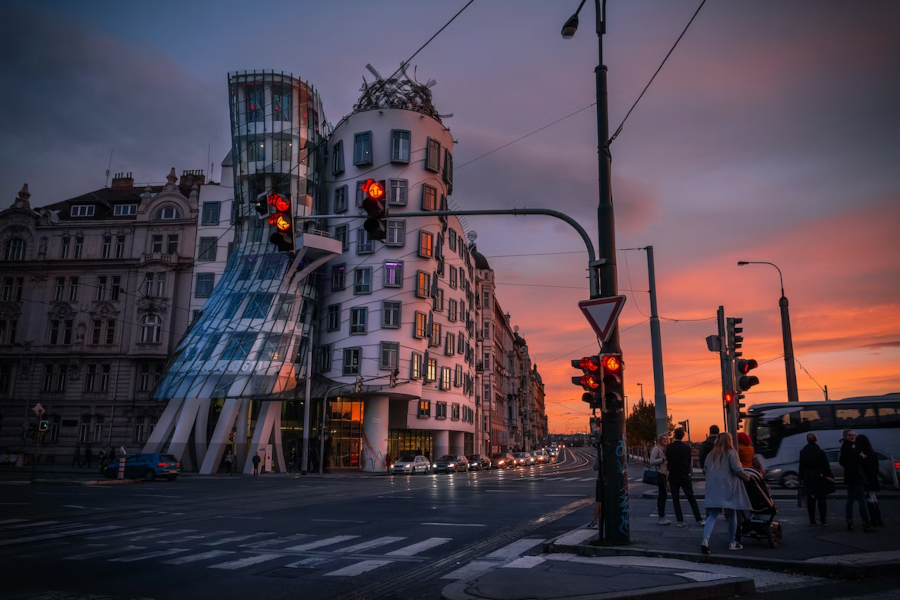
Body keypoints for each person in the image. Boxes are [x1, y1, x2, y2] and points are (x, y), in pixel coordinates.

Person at [700, 432, 751, 554]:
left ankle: (705, 540)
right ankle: (732, 542)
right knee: (732, 513)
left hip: (713, 489)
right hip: (728, 487)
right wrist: (748, 477)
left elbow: (705, 469)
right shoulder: (731, 453)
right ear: (729, 441)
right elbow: (737, 469)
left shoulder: (711, 455)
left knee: (712, 515)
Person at [665, 427, 705, 527]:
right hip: (684, 475)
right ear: (683, 436)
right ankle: (698, 518)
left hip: (673, 475)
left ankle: (680, 520)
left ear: (674, 435)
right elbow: (688, 462)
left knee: (675, 499)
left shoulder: (669, 447)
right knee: (691, 497)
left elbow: (668, 460)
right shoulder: (687, 448)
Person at [839, 429, 872, 532]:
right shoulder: (850, 447)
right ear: (845, 437)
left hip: (850, 477)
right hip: (856, 477)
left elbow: (843, 461)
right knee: (861, 500)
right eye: (850, 435)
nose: (852, 437)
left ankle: (850, 521)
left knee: (851, 499)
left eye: (853, 435)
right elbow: (857, 458)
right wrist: (860, 456)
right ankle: (866, 523)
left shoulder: (847, 446)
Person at [799, 433, 834, 525]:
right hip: (820, 477)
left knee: (811, 500)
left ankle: (812, 520)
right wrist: (829, 476)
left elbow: (801, 466)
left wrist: (801, 478)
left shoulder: (803, 451)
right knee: (822, 499)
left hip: (808, 478)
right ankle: (823, 520)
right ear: (816, 440)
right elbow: (826, 466)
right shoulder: (820, 451)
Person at [856, 434, 883, 527]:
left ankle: (873, 519)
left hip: (866, 479)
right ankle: (878, 518)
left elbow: (861, 468)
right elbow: (876, 468)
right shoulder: (873, 453)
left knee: (869, 498)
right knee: (873, 497)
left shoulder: (861, 454)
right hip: (873, 478)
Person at [649, 434, 671, 525]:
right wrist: (662, 459)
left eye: (666, 439)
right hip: (660, 474)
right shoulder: (656, 449)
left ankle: (662, 516)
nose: (665, 440)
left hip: (666, 474)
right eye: (663, 439)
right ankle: (661, 517)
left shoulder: (667, 449)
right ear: (659, 440)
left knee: (663, 495)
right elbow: (651, 462)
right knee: (663, 495)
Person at [587, 444, 604, 529]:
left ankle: (595, 521)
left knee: (599, 501)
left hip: (601, 479)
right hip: (613, 481)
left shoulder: (601, 452)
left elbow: (596, 467)